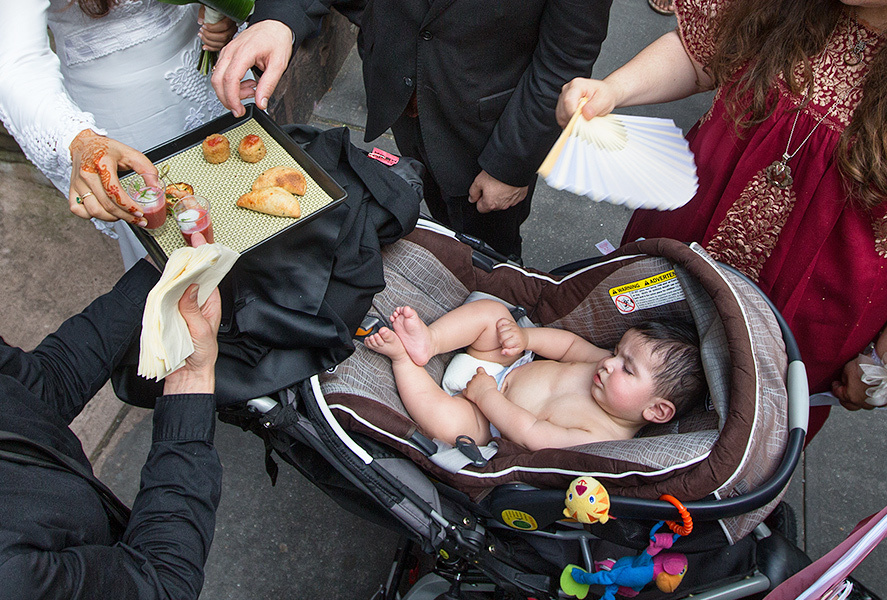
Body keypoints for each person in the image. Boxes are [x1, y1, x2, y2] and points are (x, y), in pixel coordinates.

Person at [555, 0, 887, 440]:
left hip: (814, 295)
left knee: (736, 433)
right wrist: (613, 89)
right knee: (614, 371)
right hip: (690, 230)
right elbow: (699, 55)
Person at [209, 0, 613, 258]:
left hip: (490, 133)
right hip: (402, 99)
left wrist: (511, 165)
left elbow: (564, 61)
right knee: (436, 213)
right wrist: (279, 20)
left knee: (488, 252)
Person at [0, 250, 224, 598]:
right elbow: (161, 585)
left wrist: (163, 271)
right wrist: (189, 378)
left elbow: (38, 390)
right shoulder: (14, 578)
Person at [0, 0, 237, 268]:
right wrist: (78, 138)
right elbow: (18, 62)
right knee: (168, 246)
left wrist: (224, 14)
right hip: (124, 117)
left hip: (207, 71)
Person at [363, 300, 706, 451]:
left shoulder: (601, 437)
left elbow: (531, 432)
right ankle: (430, 341)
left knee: (449, 427)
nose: (609, 363)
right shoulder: (604, 364)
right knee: (495, 316)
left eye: (626, 369)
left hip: (489, 420)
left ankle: (403, 360)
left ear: (656, 410)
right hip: (507, 365)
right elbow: (569, 345)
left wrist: (486, 397)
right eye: (617, 352)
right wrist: (525, 338)